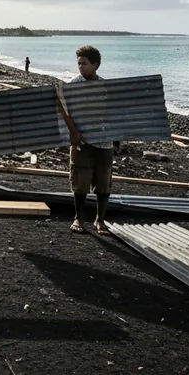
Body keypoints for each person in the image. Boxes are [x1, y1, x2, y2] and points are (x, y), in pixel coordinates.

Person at [67, 45, 115, 235]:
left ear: (95, 65)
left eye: (84, 63)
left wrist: (117, 136)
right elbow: (65, 112)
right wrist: (73, 134)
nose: (80, 67)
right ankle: (78, 218)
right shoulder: (74, 85)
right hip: (82, 142)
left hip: (104, 142)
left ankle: (100, 220)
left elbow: (113, 112)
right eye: (78, 63)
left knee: (104, 183)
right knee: (80, 182)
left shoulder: (105, 86)